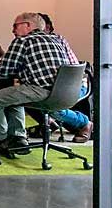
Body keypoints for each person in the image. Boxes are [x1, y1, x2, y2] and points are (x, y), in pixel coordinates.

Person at [0, 12, 70, 155]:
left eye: (15, 26)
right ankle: (18, 137)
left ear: (28, 25)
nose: (13, 30)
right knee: (14, 96)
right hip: (64, 93)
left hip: (40, 90)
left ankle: (1, 140)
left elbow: (5, 71)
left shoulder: (23, 41)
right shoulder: (57, 40)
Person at [27, 13, 93, 143]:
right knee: (27, 94)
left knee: (47, 100)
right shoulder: (33, 43)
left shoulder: (56, 40)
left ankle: (85, 123)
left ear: (47, 28)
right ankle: (49, 123)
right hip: (55, 84)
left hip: (73, 85)